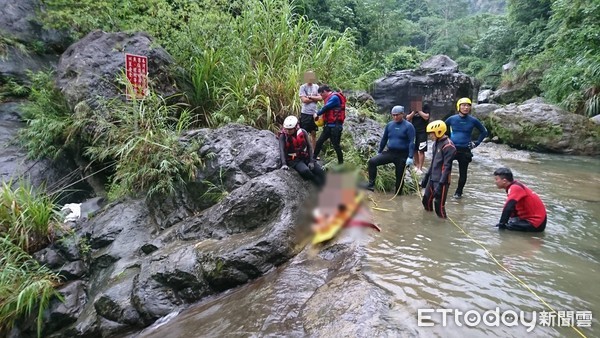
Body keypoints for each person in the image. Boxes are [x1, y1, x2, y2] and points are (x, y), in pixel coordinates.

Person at [364, 105, 415, 193]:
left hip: (402, 155)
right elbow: (384, 139)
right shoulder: (390, 125)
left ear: (402, 114)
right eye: (393, 115)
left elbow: (411, 142)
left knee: (399, 176)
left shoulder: (408, 126)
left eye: (397, 115)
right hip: (390, 153)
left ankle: (398, 195)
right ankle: (371, 185)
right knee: (372, 161)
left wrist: (410, 157)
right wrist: (379, 151)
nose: (395, 117)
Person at [445, 97, 488, 199]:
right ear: (459, 107)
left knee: (463, 173)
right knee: (446, 170)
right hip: (452, 149)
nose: (466, 108)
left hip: (465, 150)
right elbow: (442, 128)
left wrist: (476, 143)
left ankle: (458, 193)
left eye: (468, 105)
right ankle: (444, 188)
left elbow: (484, 132)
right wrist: (445, 140)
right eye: (463, 105)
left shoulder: (473, 120)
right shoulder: (452, 119)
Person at [420, 120, 456, 218]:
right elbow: (433, 162)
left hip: (442, 181)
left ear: (439, 131)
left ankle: (442, 225)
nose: (430, 136)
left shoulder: (449, 146)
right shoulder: (436, 143)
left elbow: (447, 167)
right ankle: (428, 221)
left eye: (431, 133)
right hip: (432, 178)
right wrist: (426, 177)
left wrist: (440, 185)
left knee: (439, 206)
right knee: (426, 201)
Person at [493, 168, 547, 232]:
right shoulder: (514, 186)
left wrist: (502, 225)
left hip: (535, 223)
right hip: (537, 221)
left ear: (504, 181)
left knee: (499, 229)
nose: (495, 182)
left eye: (496, 179)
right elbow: (513, 208)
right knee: (505, 224)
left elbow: (508, 207)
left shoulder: (515, 188)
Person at [279, 116, 325, 187]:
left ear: (295, 127)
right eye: (287, 129)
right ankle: (316, 182)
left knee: (320, 171)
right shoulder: (283, 136)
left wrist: (311, 161)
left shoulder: (303, 132)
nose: (288, 131)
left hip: (304, 156)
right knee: (305, 171)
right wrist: (284, 164)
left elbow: (309, 147)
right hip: (294, 160)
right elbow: (281, 150)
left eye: (290, 129)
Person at [313, 85, 346, 164]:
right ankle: (313, 158)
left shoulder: (334, 98)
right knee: (319, 142)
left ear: (324, 91)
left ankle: (341, 163)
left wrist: (317, 114)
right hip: (328, 126)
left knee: (336, 145)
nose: (321, 96)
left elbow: (326, 108)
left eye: (321, 94)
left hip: (336, 126)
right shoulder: (330, 97)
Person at [298, 71, 322, 150]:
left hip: (314, 114)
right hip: (305, 113)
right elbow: (304, 100)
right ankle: (303, 152)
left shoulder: (316, 87)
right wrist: (315, 98)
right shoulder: (303, 87)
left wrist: (310, 97)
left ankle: (313, 153)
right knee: (304, 134)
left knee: (313, 133)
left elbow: (320, 98)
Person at [407, 104, 431, 174]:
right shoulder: (412, 107)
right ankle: (417, 165)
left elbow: (426, 117)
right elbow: (408, 118)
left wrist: (419, 111)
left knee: (421, 150)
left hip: (423, 131)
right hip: (414, 131)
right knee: (414, 149)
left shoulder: (426, 106)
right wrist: (414, 111)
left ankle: (420, 167)